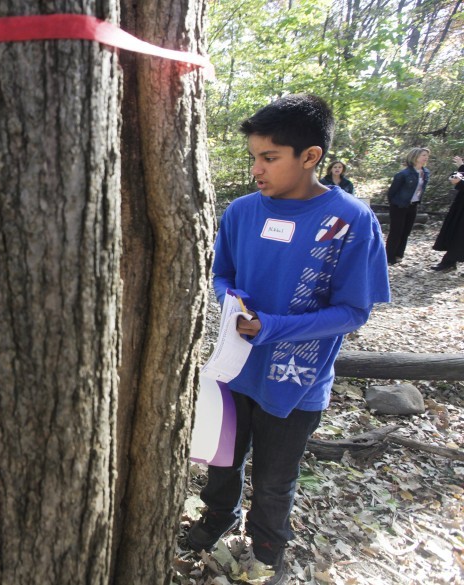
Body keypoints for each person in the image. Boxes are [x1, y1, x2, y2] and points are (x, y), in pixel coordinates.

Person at [186, 94, 390, 584]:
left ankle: (266, 550)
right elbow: (221, 273)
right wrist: (229, 299)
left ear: (310, 156)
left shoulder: (349, 222)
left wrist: (273, 327)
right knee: (223, 461)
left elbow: (352, 311)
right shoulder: (241, 212)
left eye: (269, 158)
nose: (257, 169)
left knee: (275, 480)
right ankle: (217, 518)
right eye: (253, 156)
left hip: (295, 382)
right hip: (235, 369)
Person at [384, 147, 431, 265]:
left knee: (406, 231)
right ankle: (389, 257)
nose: (425, 158)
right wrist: (395, 203)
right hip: (399, 206)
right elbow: (392, 192)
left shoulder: (425, 172)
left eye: (426, 155)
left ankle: (399, 254)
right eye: (423, 155)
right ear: (415, 157)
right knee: (396, 231)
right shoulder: (403, 174)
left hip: (413, 205)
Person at [431, 155, 464, 272]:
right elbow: (453, 179)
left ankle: (449, 261)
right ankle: (449, 262)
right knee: (457, 234)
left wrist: (461, 167)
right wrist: (461, 168)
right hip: (460, 207)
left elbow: (458, 181)